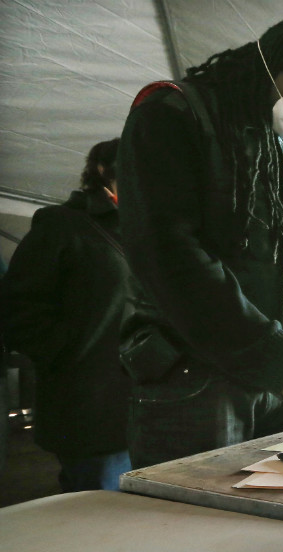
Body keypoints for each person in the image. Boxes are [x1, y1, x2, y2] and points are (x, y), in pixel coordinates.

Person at [117, 16, 283, 469]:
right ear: (267, 63)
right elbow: (169, 253)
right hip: (196, 378)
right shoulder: (174, 112)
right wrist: (271, 351)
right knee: (196, 530)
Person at [0, 139, 133, 491]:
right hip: (90, 407)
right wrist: (72, 357)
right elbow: (20, 311)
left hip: (154, 407)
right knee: (101, 523)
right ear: (103, 170)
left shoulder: (150, 228)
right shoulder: (63, 225)